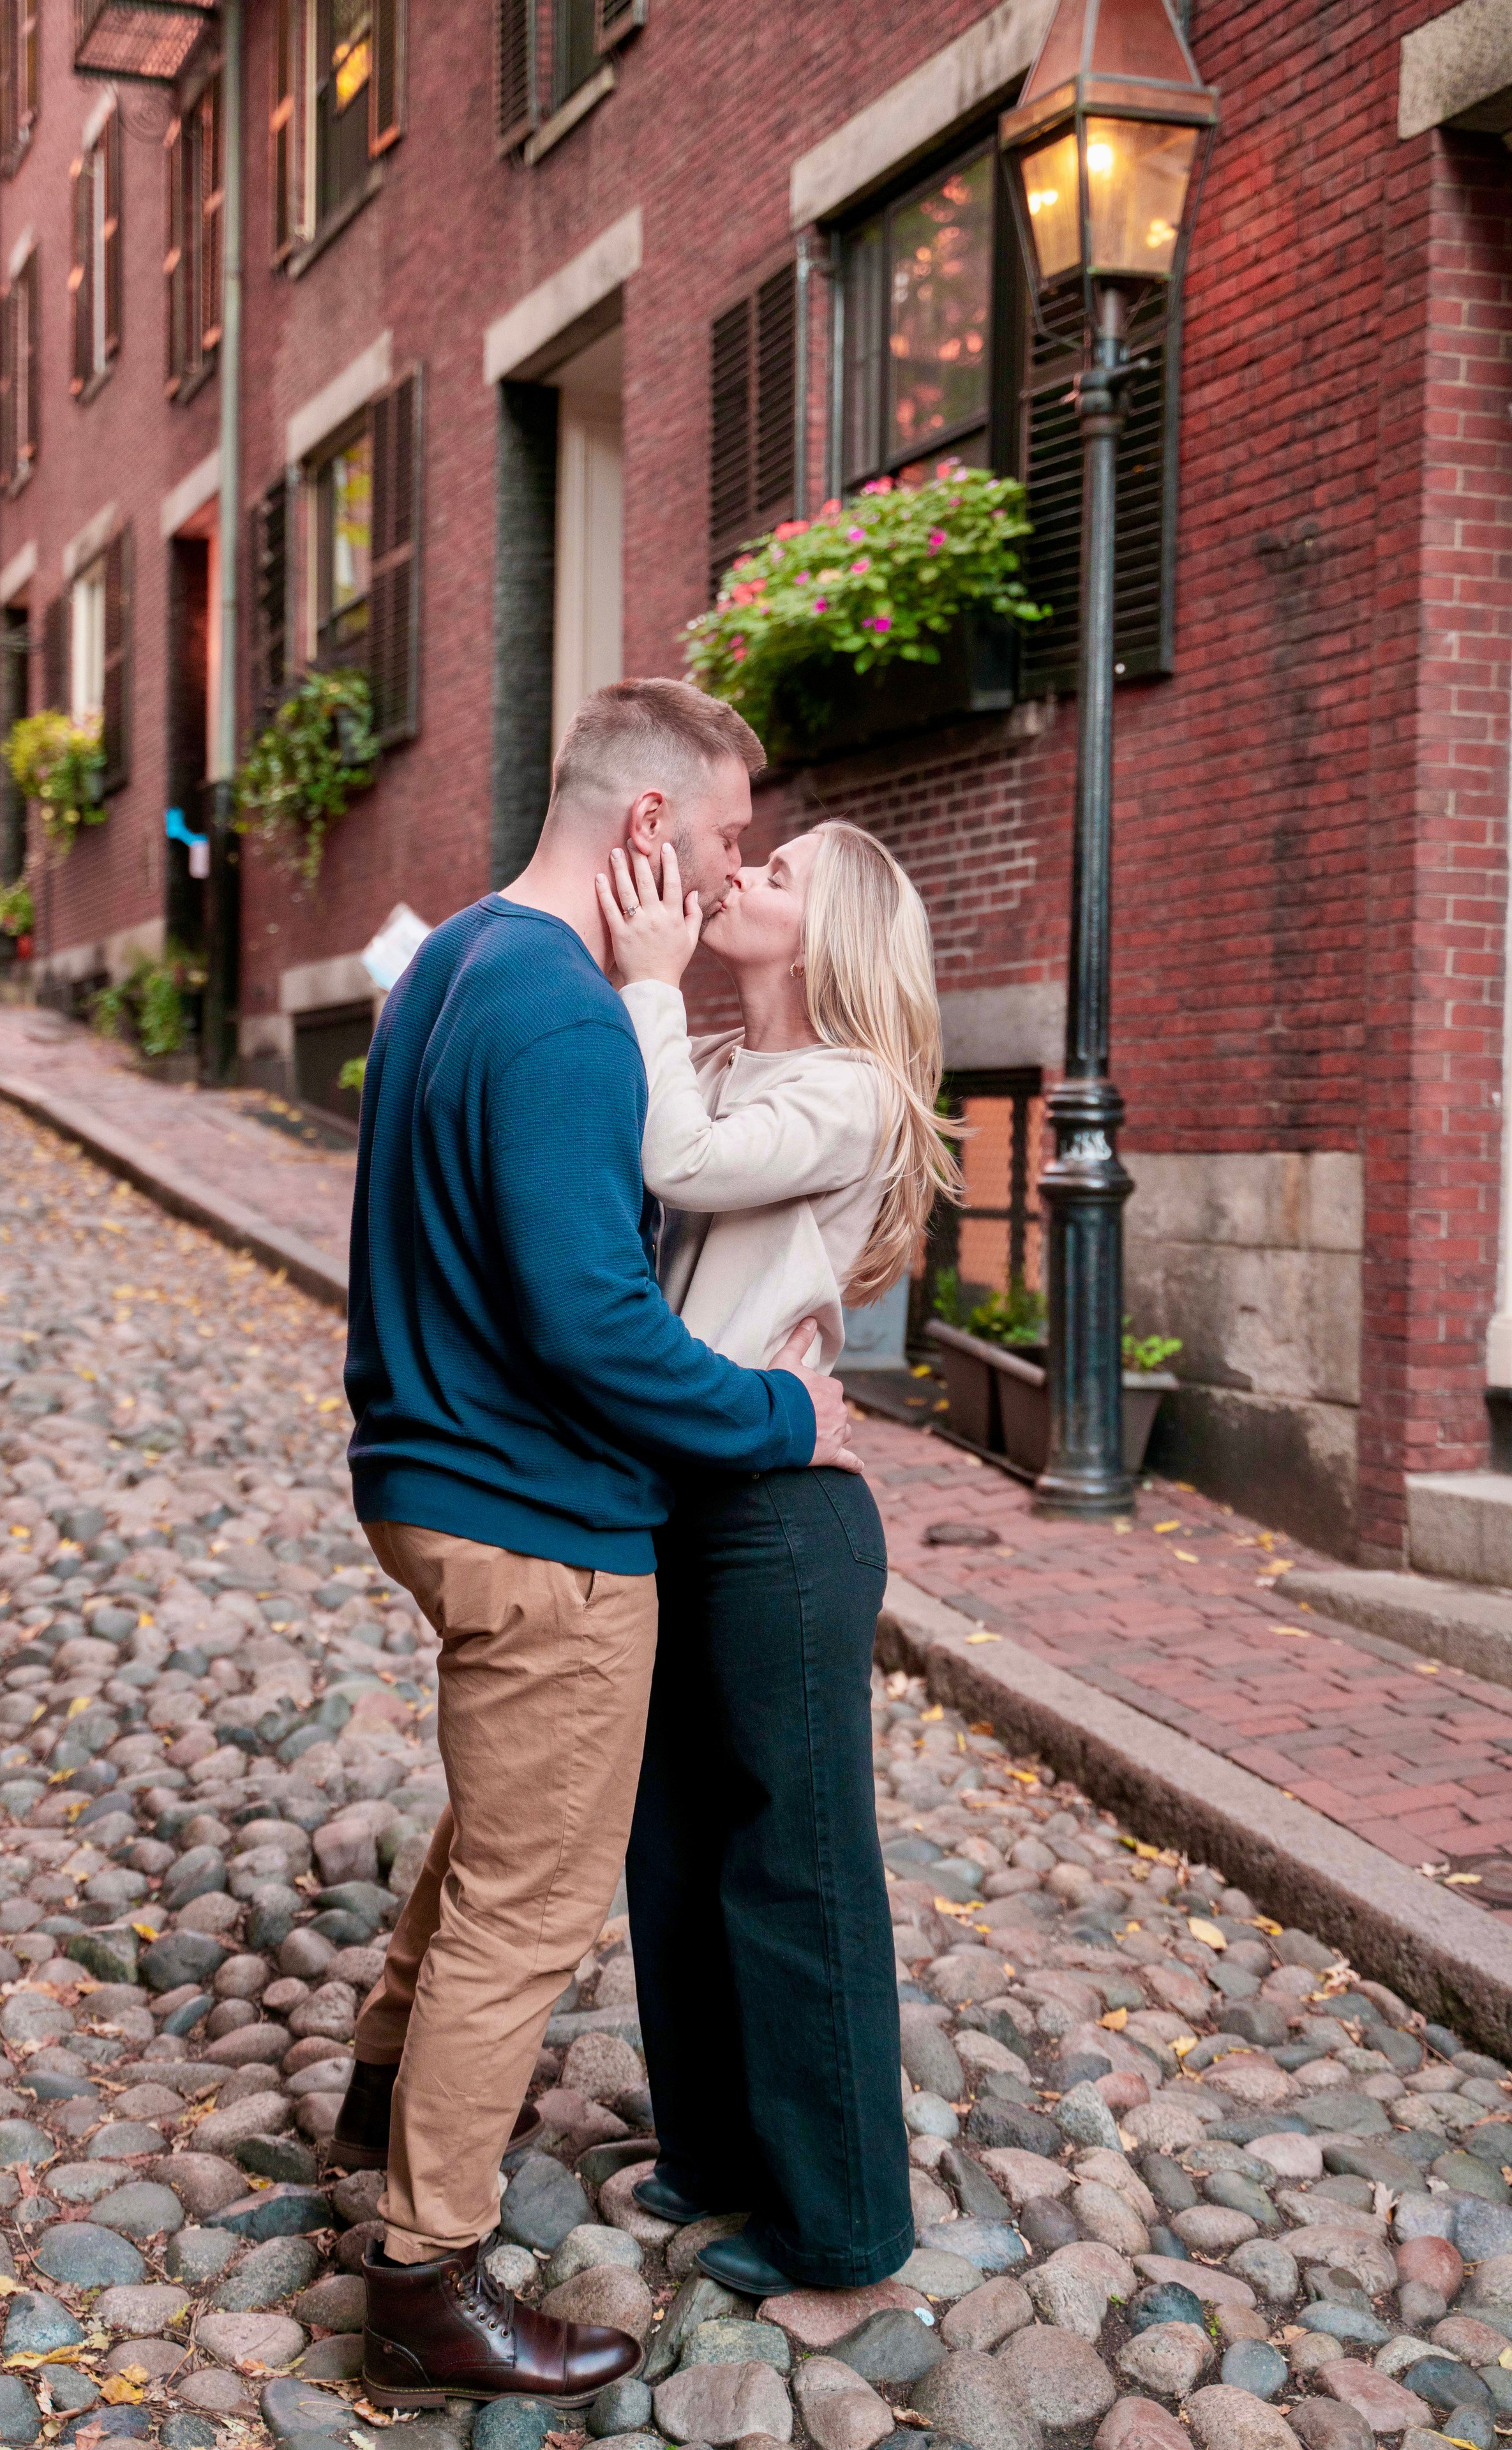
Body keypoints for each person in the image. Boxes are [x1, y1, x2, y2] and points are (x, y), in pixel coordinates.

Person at [336, 679, 860, 2412]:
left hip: (432, 1473)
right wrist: (787, 1418)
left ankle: (383, 2077)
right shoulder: (564, 1011)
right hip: (539, 1510)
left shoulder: (454, 963)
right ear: (644, 826)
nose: (726, 876)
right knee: (535, 1895)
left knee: (500, 1819)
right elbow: (593, 1321)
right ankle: (425, 2275)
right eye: (720, 837)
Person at [595, 816, 961, 2297]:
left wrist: (639, 975)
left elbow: (674, 1160)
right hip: (689, 1491)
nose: (743, 874)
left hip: (780, 1522)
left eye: (779, 870)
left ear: (831, 935)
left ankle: (843, 2218)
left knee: (793, 1864)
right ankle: (712, 2152)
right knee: (672, 1842)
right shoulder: (737, 1060)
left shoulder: (854, 1092)